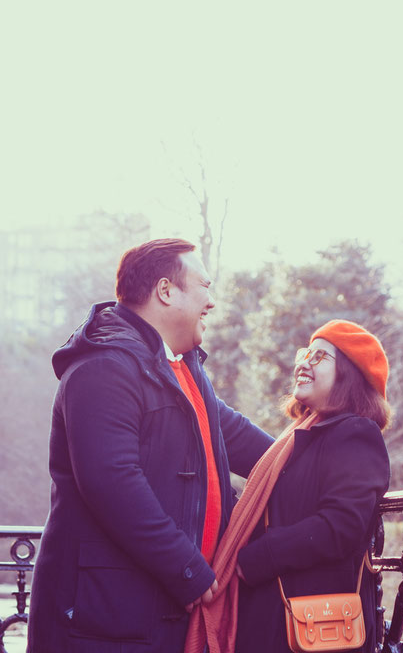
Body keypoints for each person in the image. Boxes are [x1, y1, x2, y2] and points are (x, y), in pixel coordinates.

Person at [27, 238, 273, 653]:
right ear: (166, 291)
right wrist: (187, 569)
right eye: (204, 286)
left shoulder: (182, 372)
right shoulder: (103, 366)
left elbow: (247, 442)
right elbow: (112, 482)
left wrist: (321, 459)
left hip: (156, 613)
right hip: (102, 619)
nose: (211, 302)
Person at [183, 319, 391, 653]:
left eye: (320, 356)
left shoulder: (355, 434)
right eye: (305, 353)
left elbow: (343, 525)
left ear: (349, 375)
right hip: (277, 617)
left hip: (312, 626)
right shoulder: (299, 438)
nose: (304, 363)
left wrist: (257, 557)